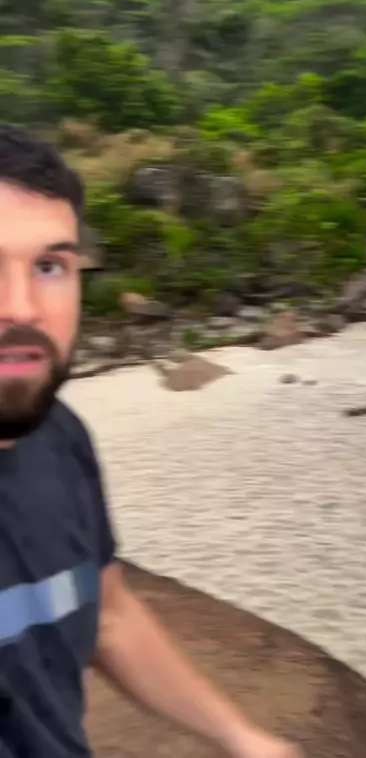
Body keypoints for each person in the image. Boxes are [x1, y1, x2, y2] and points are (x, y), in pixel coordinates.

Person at [0, 124, 303, 758]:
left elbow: (110, 616)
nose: (23, 308)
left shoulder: (61, 437)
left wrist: (243, 739)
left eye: (50, 266)